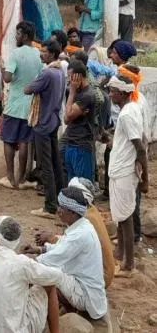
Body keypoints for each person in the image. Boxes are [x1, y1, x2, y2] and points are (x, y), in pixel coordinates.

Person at [28, 187, 108, 320]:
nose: (58, 211)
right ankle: (67, 310)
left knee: (47, 273)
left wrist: (21, 264)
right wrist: (39, 250)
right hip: (85, 288)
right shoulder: (81, 225)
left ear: (72, 212)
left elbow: (49, 260)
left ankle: (52, 320)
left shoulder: (79, 235)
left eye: (62, 208)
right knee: (51, 268)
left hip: (85, 295)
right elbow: (62, 248)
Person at [0, 216, 62, 333]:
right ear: (17, 240)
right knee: (49, 285)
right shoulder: (22, 263)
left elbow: (7, 268)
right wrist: (36, 263)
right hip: (17, 330)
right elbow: (56, 276)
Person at [106, 75, 147, 276]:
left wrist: (145, 179)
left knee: (126, 217)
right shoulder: (132, 109)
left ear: (122, 93)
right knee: (123, 215)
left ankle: (129, 264)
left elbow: (140, 148)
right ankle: (121, 252)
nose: (110, 94)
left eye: (112, 91)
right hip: (121, 168)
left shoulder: (127, 115)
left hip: (124, 171)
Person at [22, 40, 66, 218]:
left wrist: (32, 82)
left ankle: (50, 206)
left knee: (45, 165)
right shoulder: (60, 72)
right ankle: (60, 200)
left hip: (43, 123)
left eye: (44, 52)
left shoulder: (47, 73)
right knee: (55, 163)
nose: (41, 53)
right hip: (53, 121)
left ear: (53, 54)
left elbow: (27, 89)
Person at [0, 21, 43, 188]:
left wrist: (4, 69)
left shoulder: (16, 54)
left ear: (24, 35)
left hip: (14, 104)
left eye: (18, 34)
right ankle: (22, 178)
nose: (16, 37)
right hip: (30, 105)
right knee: (24, 141)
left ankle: (10, 177)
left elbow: (8, 78)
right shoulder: (38, 54)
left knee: (9, 140)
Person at [61, 177, 116, 288]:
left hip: (99, 278)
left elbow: (69, 249)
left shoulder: (85, 219)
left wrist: (50, 242)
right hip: (102, 273)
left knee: (52, 274)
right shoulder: (91, 210)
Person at [60, 59, 96, 181]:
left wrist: (72, 93)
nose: (69, 80)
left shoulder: (87, 95)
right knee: (73, 184)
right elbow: (66, 118)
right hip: (72, 143)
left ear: (79, 76)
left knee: (82, 185)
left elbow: (67, 116)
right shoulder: (78, 93)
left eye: (71, 76)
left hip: (81, 145)